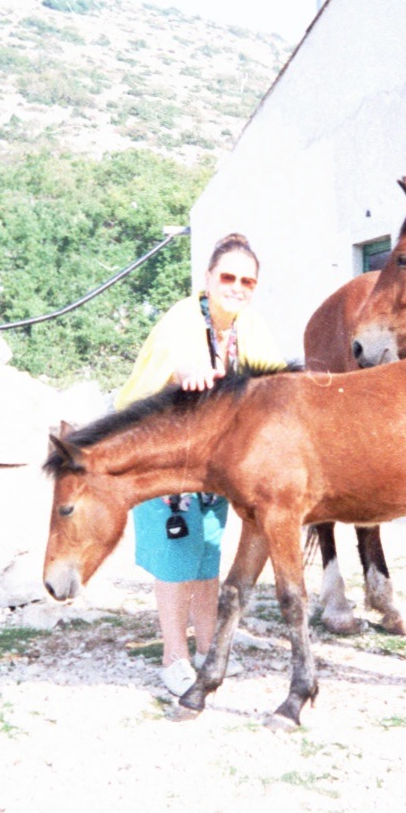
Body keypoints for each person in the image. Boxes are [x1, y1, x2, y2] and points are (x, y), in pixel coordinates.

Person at [112, 233, 283, 695]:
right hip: (160, 457)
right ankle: (173, 658)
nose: (236, 286)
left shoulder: (251, 327)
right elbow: (173, 368)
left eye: (246, 280)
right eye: (227, 276)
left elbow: (275, 381)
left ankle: (209, 649)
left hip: (207, 462)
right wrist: (186, 375)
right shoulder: (180, 321)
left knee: (206, 554)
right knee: (174, 559)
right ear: (207, 278)